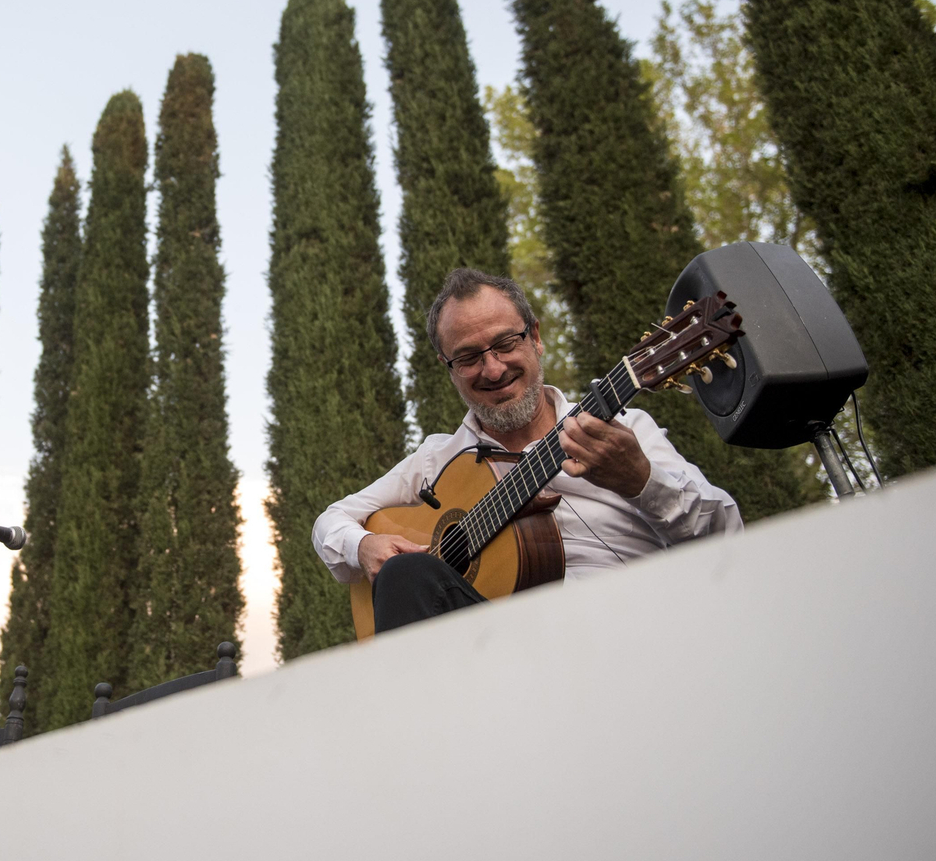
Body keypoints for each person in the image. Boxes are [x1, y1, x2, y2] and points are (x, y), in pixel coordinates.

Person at [312, 267, 741, 633]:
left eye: (504, 343)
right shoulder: (435, 462)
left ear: (535, 337)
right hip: (494, 656)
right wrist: (363, 546)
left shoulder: (623, 431)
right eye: (468, 357)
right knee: (404, 574)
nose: (493, 368)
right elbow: (331, 521)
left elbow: (729, 536)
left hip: (628, 632)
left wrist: (642, 482)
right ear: (449, 369)